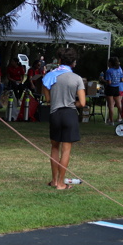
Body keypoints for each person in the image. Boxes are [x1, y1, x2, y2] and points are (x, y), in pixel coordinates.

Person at [41, 47, 86, 190]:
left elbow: (48, 100)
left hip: (55, 114)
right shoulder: (77, 78)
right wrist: (73, 103)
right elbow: (82, 103)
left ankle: (54, 181)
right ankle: (61, 183)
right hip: (70, 114)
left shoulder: (49, 76)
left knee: (55, 147)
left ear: (59, 60)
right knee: (66, 150)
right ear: (73, 62)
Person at [101, 57, 123, 123]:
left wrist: (102, 79)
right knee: (119, 105)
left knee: (111, 105)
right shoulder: (119, 69)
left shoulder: (109, 71)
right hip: (117, 88)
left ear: (110, 63)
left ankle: (111, 120)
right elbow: (121, 79)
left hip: (110, 88)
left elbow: (109, 82)